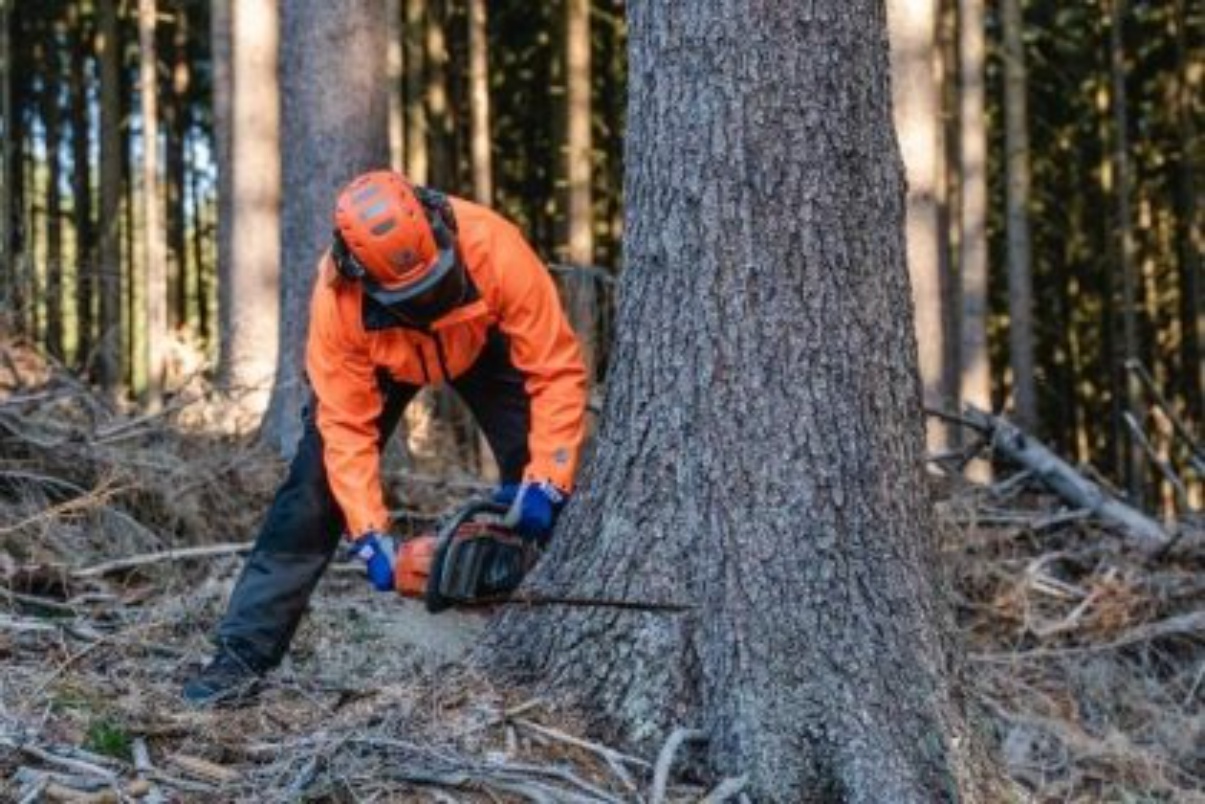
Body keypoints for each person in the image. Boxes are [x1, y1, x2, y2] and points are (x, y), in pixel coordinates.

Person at [182, 170, 588, 706]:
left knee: (539, 467)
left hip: (479, 340)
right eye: (414, 295)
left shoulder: (492, 243)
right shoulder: (338, 302)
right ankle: (240, 656)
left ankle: (549, 627)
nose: (429, 302)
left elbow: (555, 371)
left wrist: (550, 479)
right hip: (383, 359)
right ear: (359, 274)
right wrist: (371, 537)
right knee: (311, 494)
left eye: (435, 282)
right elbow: (345, 431)